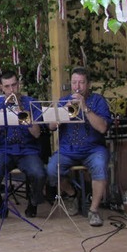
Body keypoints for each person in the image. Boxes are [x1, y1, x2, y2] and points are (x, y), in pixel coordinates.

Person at [46, 67, 112, 227]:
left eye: (81, 82)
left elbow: (103, 128)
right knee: (52, 170)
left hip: (93, 149)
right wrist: (62, 112)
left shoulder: (98, 101)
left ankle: (94, 210)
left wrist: (85, 108)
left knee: (100, 166)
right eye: (74, 82)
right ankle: (72, 193)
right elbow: (51, 126)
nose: (77, 86)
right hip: (68, 149)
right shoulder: (64, 101)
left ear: (88, 84)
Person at [0, 70, 46, 218]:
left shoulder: (30, 103)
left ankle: (33, 202)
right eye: (7, 87)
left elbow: (37, 133)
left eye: (14, 85)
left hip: (26, 150)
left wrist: (22, 113)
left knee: (39, 174)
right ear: (1, 87)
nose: (11, 90)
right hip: (2, 150)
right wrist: (1, 119)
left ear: (19, 85)